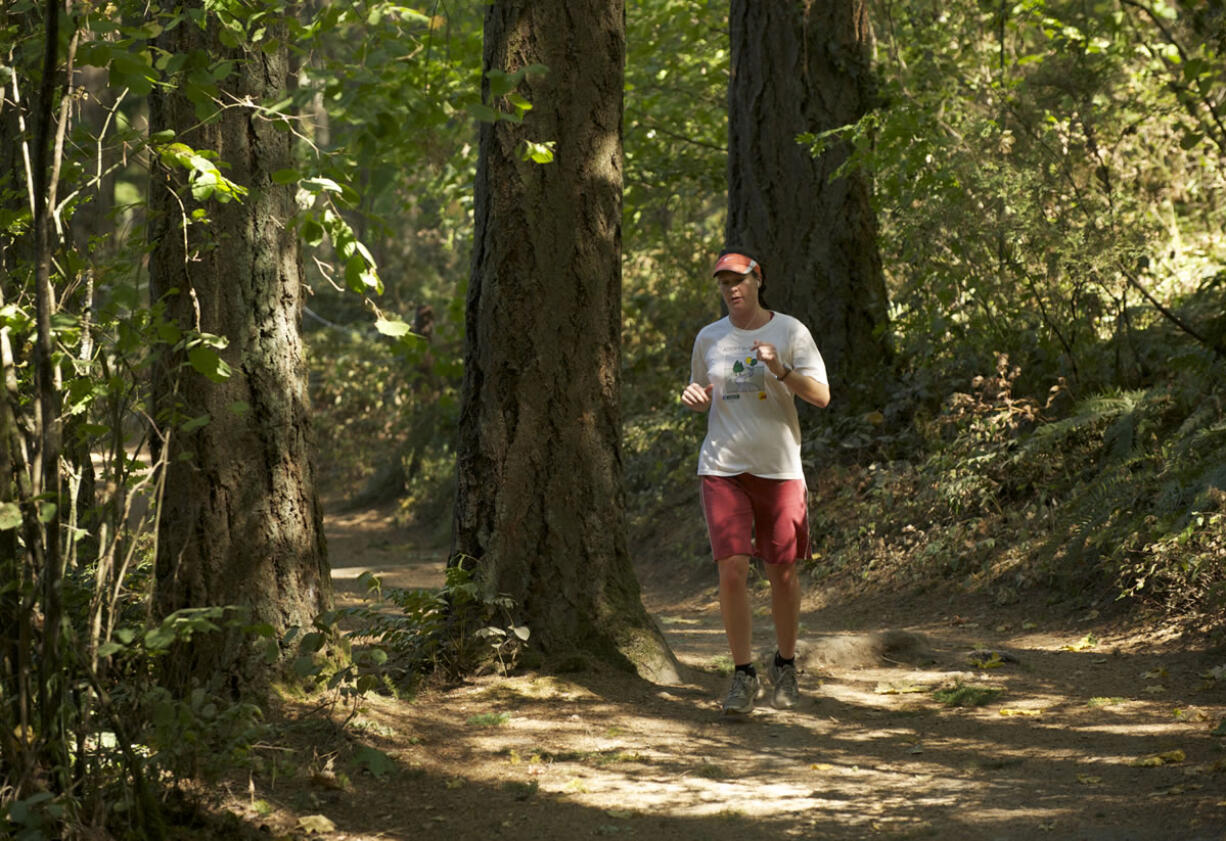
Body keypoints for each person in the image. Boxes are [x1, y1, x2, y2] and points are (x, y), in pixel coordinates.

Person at [680, 248, 830, 715]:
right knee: (732, 569)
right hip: (723, 466)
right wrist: (695, 398)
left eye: (739, 280)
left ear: (757, 279)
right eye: (724, 283)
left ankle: (784, 664)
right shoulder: (710, 338)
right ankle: (743, 674)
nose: (732, 289)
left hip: (779, 466)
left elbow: (822, 396)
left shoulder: (789, 331)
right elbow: (703, 391)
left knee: (782, 573)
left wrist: (781, 370)